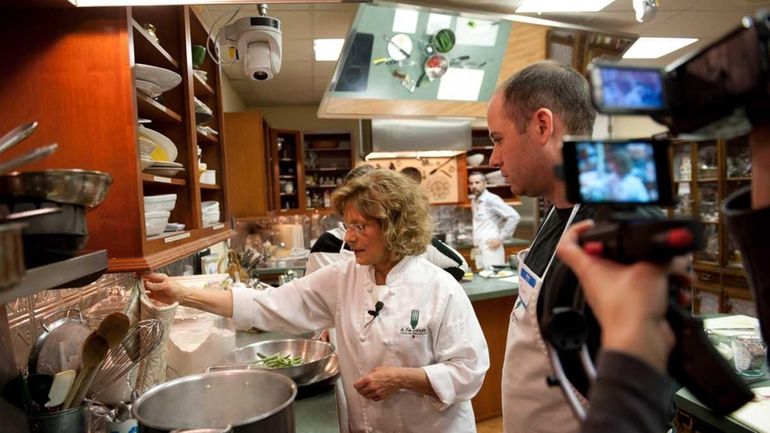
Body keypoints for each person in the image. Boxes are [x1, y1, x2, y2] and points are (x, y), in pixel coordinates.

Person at [144, 168, 490, 433]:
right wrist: (181, 293)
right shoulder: (344, 278)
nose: (349, 238)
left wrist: (401, 377)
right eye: (346, 226)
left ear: (394, 227)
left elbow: (469, 372)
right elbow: (267, 305)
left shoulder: (440, 288)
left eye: (359, 226)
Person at [488, 60, 663, 433]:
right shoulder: (558, 211)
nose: (493, 159)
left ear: (542, 125)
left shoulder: (620, 226)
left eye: (498, 139)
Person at [308, 164, 469, 281]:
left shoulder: (410, 240)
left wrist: (424, 296)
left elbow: (459, 265)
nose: (350, 238)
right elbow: (311, 301)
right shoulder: (327, 245)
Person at [468, 171, 520, 269]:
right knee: (482, 278)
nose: (474, 186)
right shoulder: (474, 201)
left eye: (477, 182)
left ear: (485, 183)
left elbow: (514, 216)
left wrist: (501, 238)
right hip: (479, 248)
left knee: (493, 279)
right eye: (471, 183)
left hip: (492, 249)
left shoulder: (491, 199)